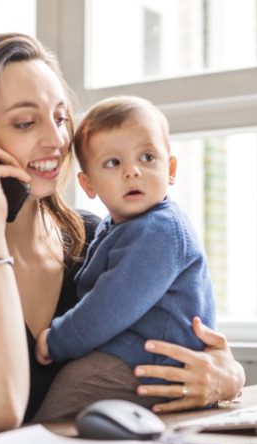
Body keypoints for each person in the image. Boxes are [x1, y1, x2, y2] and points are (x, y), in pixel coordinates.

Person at [0, 33, 245, 444]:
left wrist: (226, 376)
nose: (58, 141)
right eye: (25, 123)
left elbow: (187, 337)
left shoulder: (92, 239)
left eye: (59, 118)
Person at [32, 96, 216, 420]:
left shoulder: (160, 231)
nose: (132, 172)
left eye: (147, 157)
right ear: (88, 184)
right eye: (113, 163)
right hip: (135, 356)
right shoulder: (116, 226)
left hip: (151, 362)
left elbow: (109, 305)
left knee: (55, 413)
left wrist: (57, 341)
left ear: (170, 169)